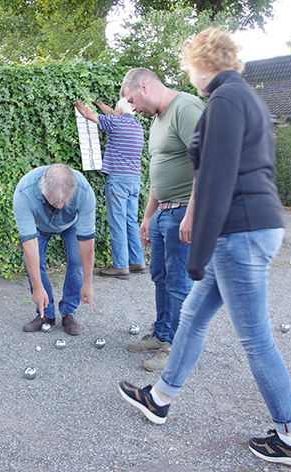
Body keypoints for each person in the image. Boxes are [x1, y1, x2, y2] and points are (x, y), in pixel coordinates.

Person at [118, 27, 291, 467]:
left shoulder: (223, 101)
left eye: (190, 68)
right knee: (192, 315)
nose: (190, 77)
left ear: (204, 64)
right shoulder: (246, 98)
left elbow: (217, 176)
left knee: (256, 338)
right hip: (252, 227)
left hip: (239, 232)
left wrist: (200, 252)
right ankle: (160, 398)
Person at [119, 67, 205, 371]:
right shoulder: (157, 120)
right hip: (162, 213)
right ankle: (162, 334)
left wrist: (193, 214)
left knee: (179, 283)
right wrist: (147, 216)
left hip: (184, 211)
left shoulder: (185, 107)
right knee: (161, 278)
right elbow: (160, 171)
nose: (133, 108)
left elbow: (206, 161)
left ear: (144, 86)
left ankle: (178, 350)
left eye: (132, 100)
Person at [13, 164, 96, 335]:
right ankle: (46, 314)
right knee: (34, 263)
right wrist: (37, 287)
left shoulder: (84, 191)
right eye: (54, 201)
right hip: (39, 227)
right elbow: (29, 244)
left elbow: (87, 241)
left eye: (65, 201)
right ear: (42, 189)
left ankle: (69, 313)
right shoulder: (24, 192)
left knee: (76, 262)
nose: (59, 206)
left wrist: (88, 282)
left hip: (71, 225)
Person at [74, 98, 147, 279]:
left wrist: (76, 101)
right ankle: (137, 262)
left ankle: (120, 266)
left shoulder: (115, 123)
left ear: (119, 113)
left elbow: (86, 114)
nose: (113, 112)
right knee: (131, 221)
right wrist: (98, 103)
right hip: (134, 180)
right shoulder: (137, 125)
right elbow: (113, 114)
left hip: (118, 181)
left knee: (117, 223)